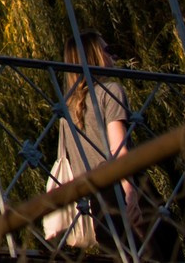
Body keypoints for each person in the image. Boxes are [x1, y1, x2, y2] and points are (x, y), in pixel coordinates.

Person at [42, 31, 134, 250]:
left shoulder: (67, 109)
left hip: (94, 204)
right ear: (94, 55)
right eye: (106, 49)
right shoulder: (111, 91)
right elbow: (118, 149)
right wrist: (131, 191)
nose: (113, 55)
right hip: (118, 190)